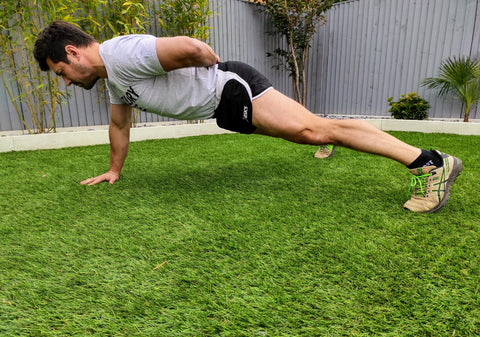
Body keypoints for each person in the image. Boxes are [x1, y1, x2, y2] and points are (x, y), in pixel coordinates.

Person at [33, 21, 463, 213]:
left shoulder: (120, 54)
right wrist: (113, 170)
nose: (67, 82)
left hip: (229, 87)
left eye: (62, 73)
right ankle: (329, 136)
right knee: (312, 131)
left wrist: (213, 69)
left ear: (71, 52)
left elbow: (191, 47)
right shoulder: (113, 77)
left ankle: (430, 163)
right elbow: (119, 124)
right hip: (225, 104)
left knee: (311, 129)